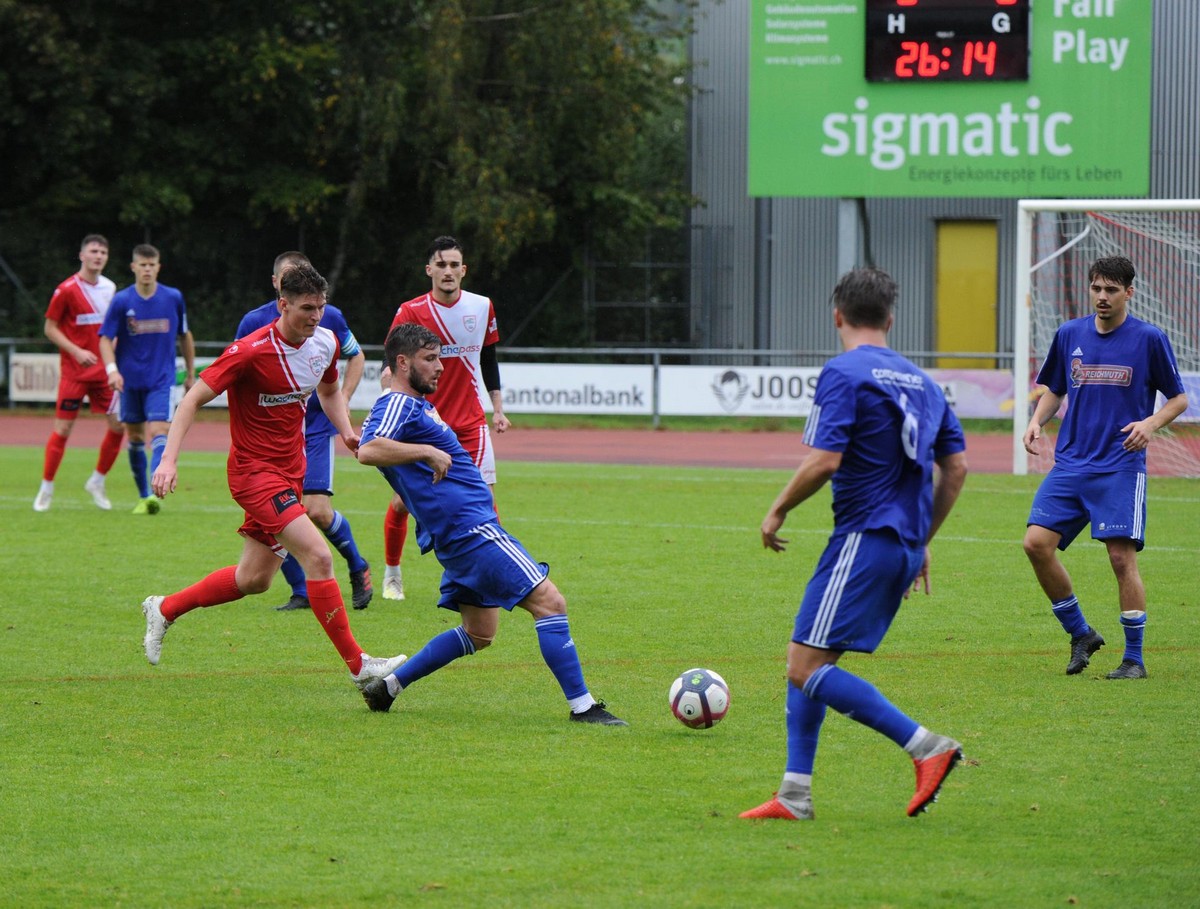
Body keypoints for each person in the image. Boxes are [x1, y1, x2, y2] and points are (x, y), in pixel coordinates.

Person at [740, 267, 969, 822]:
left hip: (865, 537)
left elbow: (825, 460)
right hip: (900, 542)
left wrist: (778, 509)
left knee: (803, 665)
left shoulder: (844, 371)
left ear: (837, 315)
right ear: (890, 319)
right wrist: (921, 539)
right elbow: (957, 468)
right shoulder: (923, 382)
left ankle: (926, 747)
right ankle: (794, 795)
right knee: (809, 654)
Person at [140, 262, 404, 689]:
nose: (315, 316)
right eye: (306, 308)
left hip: (290, 473)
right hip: (253, 475)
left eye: (320, 307)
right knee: (319, 556)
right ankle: (360, 666)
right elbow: (190, 400)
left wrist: (346, 432)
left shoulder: (326, 343)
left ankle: (164, 608)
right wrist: (168, 460)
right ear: (283, 305)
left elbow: (329, 391)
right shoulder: (249, 351)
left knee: (254, 580)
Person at [355, 322, 625, 725]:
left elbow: (382, 416)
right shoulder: (399, 404)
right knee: (551, 603)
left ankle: (388, 687)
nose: (440, 367)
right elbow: (368, 449)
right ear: (403, 362)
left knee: (479, 632)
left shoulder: (407, 402)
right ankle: (583, 708)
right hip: (471, 530)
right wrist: (427, 451)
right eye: (430, 359)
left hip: (456, 534)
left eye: (439, 358)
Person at [1022, 255, 1188, 680]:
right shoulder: (1069, 334)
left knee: (1120, 558)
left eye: (1111, 290)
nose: (1102, 296)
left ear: (1128, 292)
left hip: (1120, 467)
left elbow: (1179, 399)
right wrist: (1036, 421)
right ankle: (1081, 633)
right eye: (1096, 288)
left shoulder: (1148, 339)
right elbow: (1055, 389)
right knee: (1035, 544)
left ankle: (1134, 659)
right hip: (1071, 463)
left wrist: (1150, 424)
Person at [236, 251, 373, 611]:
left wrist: (343, 398)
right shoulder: (253, 322)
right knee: (280, 514)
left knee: (316, 511)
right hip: (270, 437)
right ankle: (302, 590)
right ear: (277, 286)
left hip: (314, 427)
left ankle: (357, 565)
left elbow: (356, 355)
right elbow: (236, 374)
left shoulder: (329, 317)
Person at [380, 236, 511, 601]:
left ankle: (498, 576)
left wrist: (498, 407)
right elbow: (391, 363)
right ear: (429, 270)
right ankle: (392, 574)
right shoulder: (410, 311)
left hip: (470, 423)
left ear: (463, 270)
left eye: (454, 265)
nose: (448, 271)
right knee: (402, 502)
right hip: (425, 425)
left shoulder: (482, 307)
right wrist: (389, 394)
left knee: (485, 502)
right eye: (441, 265)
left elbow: (488, 359)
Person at [99, 243, 196, 514]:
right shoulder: (122, 301)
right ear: (133, 267)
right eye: (142, 265)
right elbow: (105, 339)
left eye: (152, 265)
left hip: (161, 379)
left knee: (159, 430)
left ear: (158, 267)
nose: (147, 270)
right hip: (129, 381)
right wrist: (112, 370)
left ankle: (155, 491)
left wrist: (190, 373)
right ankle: (143, 495)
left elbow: (184, 335)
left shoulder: (173, 297)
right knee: (135, 436)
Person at [33, 234, 125, 512]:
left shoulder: (110, 288)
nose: (98, 256)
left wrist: (114, 355)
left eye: (103, 252)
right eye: (93, 251)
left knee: (119, 426)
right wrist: (76, 351)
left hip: (104, 373)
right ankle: (46, 487)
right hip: (74, 373)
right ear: (82, 255)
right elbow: (50, 328)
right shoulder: (66, 290)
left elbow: (112, 328)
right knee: (62, 430)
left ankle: (97, 481)